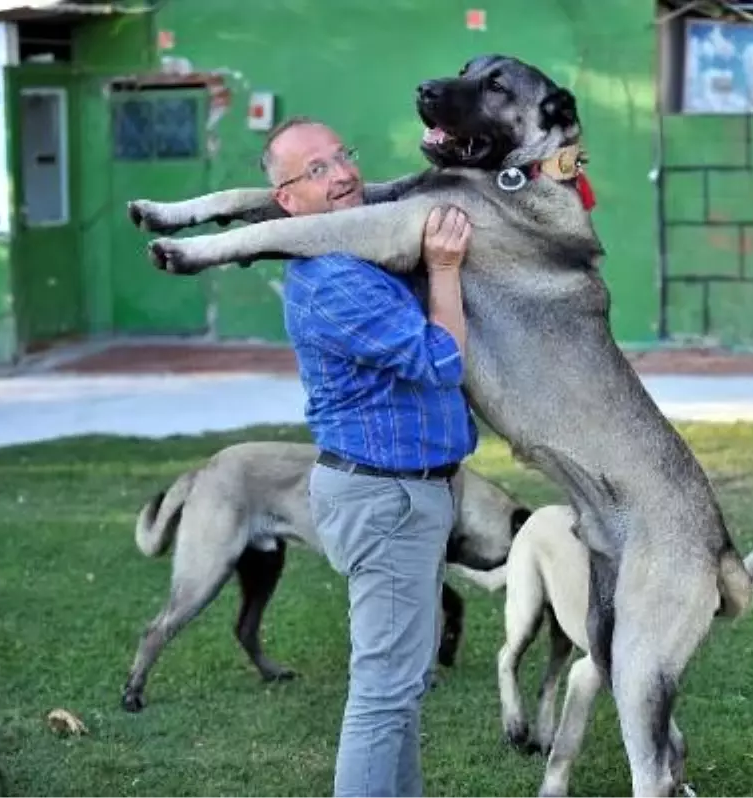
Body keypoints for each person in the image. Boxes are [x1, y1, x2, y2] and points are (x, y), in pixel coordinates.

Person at [261, 115, 478, 798]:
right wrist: (444, 267)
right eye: (316, 171)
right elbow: (441, 360)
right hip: (386, 500)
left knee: (401, 686)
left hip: (401, 494)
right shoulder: (333, 281)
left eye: (341, 157)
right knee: (385, 692)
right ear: (287, 202)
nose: (343, 174)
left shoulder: (356, 259)